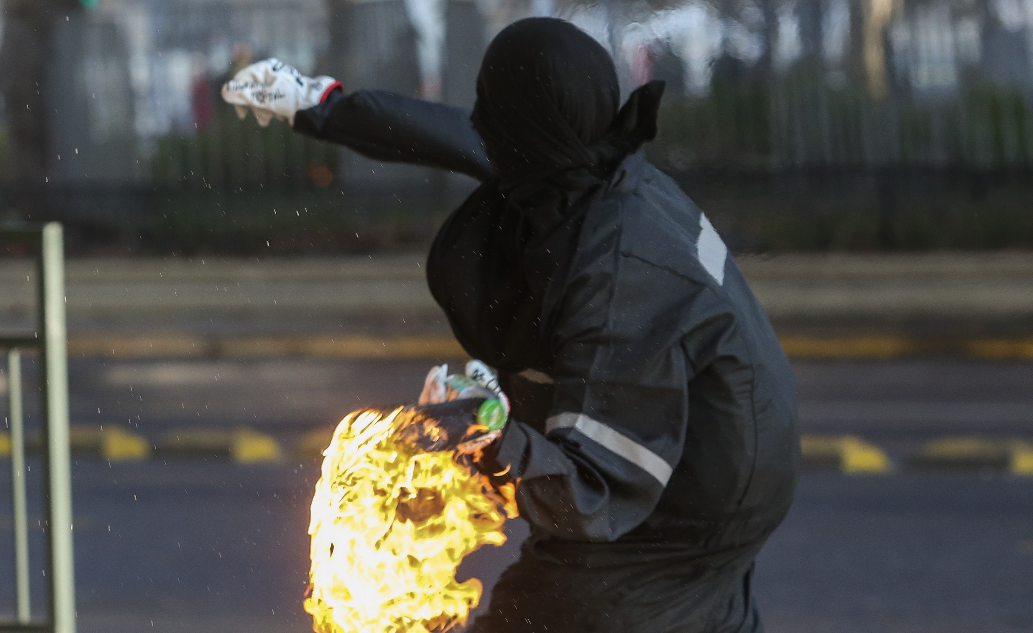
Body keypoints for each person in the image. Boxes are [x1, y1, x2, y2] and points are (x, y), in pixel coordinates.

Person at [223, 17, 798, 633]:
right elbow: (453, 135)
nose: (482, 125)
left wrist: (487, 436)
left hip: (689, 506)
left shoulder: (616, 272)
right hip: (727, 457)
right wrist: (319, 104)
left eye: (490, 111)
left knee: (539, 613)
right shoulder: (587, 160)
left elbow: (593, 488)